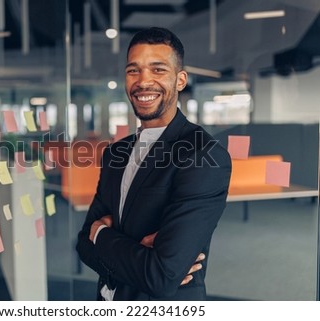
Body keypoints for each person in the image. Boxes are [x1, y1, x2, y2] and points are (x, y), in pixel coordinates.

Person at [76, 27, 232, 300]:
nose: (143, 81)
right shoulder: (116, 153)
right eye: (133, 70)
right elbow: (82, 245)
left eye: (158, 70)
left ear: (180, 80)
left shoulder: (203, 155)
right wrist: (138, 256)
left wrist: (100, 233)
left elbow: (161, 276)